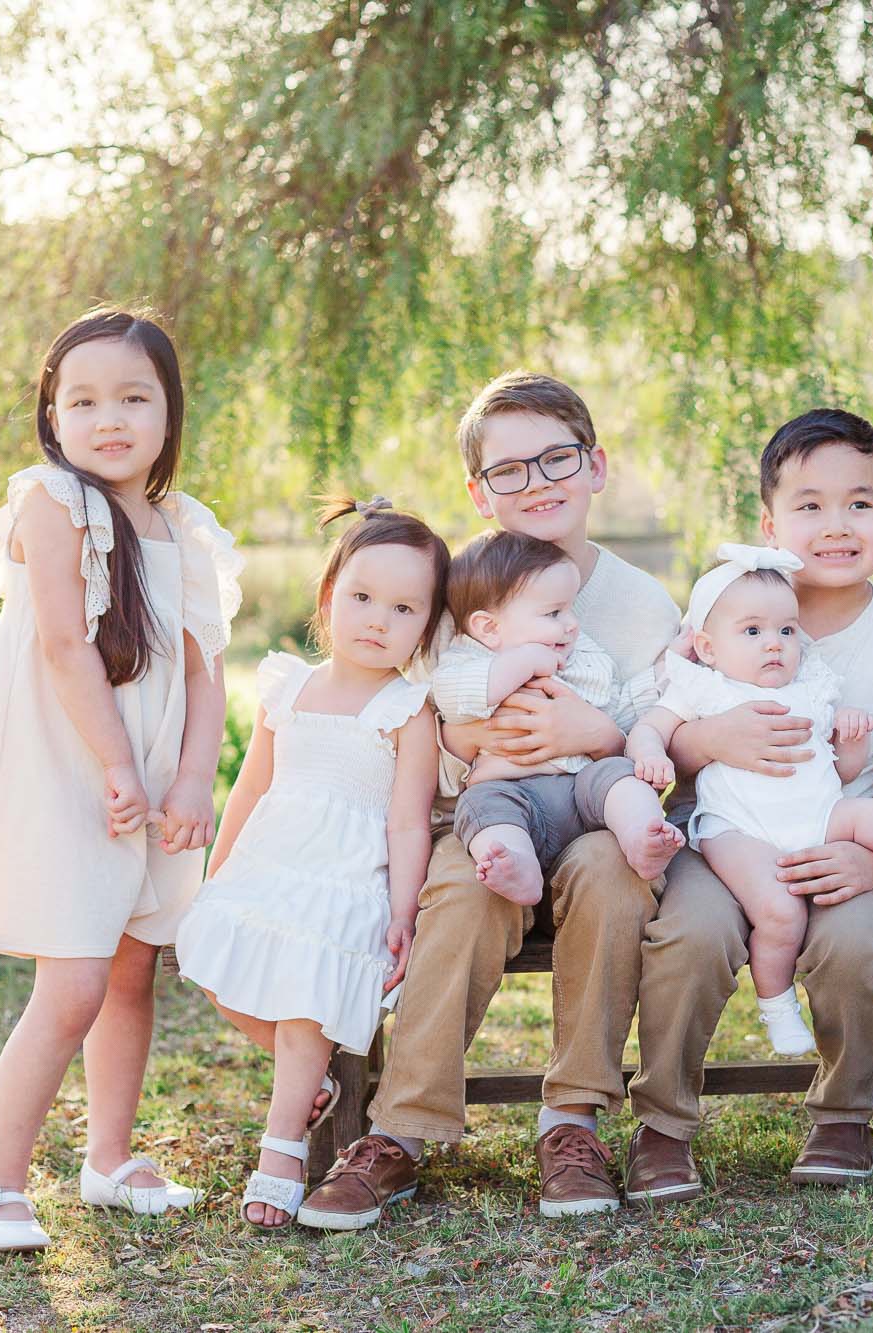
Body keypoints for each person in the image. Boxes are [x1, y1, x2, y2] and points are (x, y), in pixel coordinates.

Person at [298, 371, 680, 1229]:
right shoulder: (455, 591)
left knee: (617, 871)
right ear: (478, 492)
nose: (538, 481)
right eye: (510, 470)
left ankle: (572, 1119)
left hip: (591, 813)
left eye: (557, 458)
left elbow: (665, 730)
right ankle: (400, 1132)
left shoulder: (642, 601)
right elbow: (418, 709)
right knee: (466, 887)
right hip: (482, 812)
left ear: (596, 466)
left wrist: (598, 731)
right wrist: (468, 740)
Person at [0, 309, 244, 1252]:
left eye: (135, 397)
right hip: (70, 759)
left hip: (149, 766)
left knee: (135, 965)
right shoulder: (52, 502)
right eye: (84, 399)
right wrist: (114, 765)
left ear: (169, 413)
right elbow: (63, 644)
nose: (110, 418)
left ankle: (109, 1157)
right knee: (73, 980)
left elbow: (204, 667)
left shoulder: (181, 522)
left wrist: (191, 780)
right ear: (52, 415)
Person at [626, 409, 873, 1200]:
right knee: (691, 933)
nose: (835, 525)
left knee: (859, 940)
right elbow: (663, 739)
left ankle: (844, 1113)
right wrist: (712, 740)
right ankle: (663, 1122)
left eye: (859, 503)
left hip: (835, 842)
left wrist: (870, 857)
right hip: (723, 841)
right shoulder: (719, 616)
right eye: (809, 505)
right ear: (770, 523)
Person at [174, 498, 445, 1228]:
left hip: (348, 877)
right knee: (207, 952)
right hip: (272, 860)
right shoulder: (288, 686)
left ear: (427, 625)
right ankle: (310, 1076)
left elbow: (407, 818)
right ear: (329, 597)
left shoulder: (407, 707)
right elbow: (252, 785)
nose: (377, 619)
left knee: (303, 995)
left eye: (403, 607)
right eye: (361, 597)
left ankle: (283, 1143)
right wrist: (218, 869)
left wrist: (402, 910)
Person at [628, 545, 873, 1057]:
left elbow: (837, 773)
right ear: (708, 647)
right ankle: (777, 1007)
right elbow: (651, 728)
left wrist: (851, 742)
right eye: (753, 632)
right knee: (780, 913)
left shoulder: (812, 687)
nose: (773, 644)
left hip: (819, 816)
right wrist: (650, 753)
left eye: (785, 631)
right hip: (739, 831)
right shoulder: (705, 689)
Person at [431, 529, 684, 906]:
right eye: (554, 613)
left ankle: (642, 837)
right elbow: (449, 697)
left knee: (619, 776)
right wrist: (520, 664)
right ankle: (518, 869)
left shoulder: (582, 657)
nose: (571, 624)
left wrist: (668, 667)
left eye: (570, 609)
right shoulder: (468, 660)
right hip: (510, 793)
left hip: (579, 789)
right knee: (480, 808)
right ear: (489, 628)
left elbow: (617, 706)